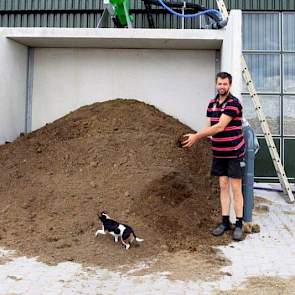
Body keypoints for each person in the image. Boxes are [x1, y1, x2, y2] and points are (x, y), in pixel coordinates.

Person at [182, 72, 245, 241]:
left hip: (233, 152)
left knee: (236, 188)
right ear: (216, 84)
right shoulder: (212, 104)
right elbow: (208, 126)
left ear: (229, 85)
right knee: (223, 186)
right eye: (219, 83)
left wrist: (196, 136)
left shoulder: (234, 104)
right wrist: (199, 137)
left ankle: (239, 224)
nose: (222, 86)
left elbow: (219, 127)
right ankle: (225, 222)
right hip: (219, 153)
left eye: (225, 84)